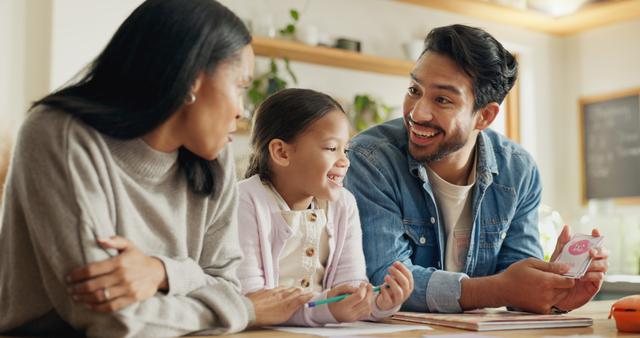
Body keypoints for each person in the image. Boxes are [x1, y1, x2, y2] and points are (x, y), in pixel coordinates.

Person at [0, 0, 311, 337]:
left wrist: (162, 272)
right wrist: (244, 310)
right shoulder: (59, 135)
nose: (241, 110)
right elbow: (112, 319)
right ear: (192, 79)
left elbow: (226, 283)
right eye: (240, 86)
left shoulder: (214, 159)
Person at [344, 24, 609, 314]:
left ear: (485, 116)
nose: (417, 113)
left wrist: (554, 289)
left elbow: (517, 285)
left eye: (442, 99)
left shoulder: (517, 170)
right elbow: (384, 281)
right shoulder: (371, 158)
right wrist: (501, 288)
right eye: (414, 90)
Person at [237, 88, 414, 326]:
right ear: (281, 152)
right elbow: (252, 302)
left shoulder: (344, 204)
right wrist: (327, 310)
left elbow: (350, 289)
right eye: (332, 148)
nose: (345, 161)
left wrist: (379, 303)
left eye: (345, 149)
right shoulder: (244, 200)